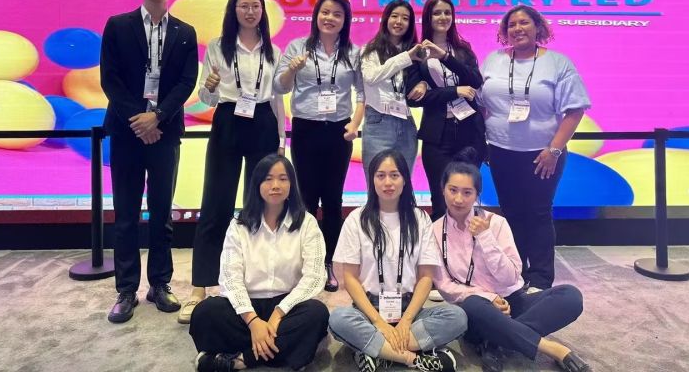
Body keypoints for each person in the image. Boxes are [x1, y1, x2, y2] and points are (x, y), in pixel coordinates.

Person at [100, 0, 198, 324]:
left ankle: (160, 283)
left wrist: (157, 117)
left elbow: (186, 82)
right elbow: (110, 79)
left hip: (165, 131)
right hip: (127, 132)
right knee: (125, 213)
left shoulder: (184, 32)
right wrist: (138, 120)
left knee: (161, 213)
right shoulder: (118, 25)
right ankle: (126, 289)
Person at [180, 0, 286, 324]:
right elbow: (206, 98)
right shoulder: (217, 47)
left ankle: (252, 284)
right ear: (234, 11)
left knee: (260, 206)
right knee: (215, 203)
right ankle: (199, 287)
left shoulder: (273, 50)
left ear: (262, 13)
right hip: (228, 120)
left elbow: (277, 98)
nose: (250, 12)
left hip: (263, 121)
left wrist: (281, 139)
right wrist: (209, 87)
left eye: (255, 6)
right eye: (244, 6)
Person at [431, 151, 591, 372]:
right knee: (472, 305)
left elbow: (510, 277)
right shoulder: (434, 231)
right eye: (453, 190)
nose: (458, 199)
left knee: (570, 296)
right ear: (443, 190)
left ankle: (495, 341)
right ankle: (552, 349)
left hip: (512, 300)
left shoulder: (497, 223)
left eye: (467, 192)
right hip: (477, 309)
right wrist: (489, 297)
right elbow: (445, 286)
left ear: (477, 194)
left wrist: (485, 238)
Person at [480, 5, 591, 291]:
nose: (517, 29)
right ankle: (516, 274)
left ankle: (541, 278)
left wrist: (554, 150)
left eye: (524, 23)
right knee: (511, 213)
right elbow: (480, 103)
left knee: (538, 213)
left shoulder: (557, 63)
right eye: (512, 25)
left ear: (538, 27)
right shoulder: (493, 60)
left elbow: (575, 110)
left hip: (543, 155)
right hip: (500, 152)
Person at [328, 149, 467, 372]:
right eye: (380, 175)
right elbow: (350, 278)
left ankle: (379, 353)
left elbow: (426, 277)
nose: (388, 182)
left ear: (405, 179)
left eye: (394, 175)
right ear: (372, 180)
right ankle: (413, 359)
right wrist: (378, 322)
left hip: (409, 309)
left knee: (457, 317)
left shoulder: (420, 219)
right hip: (369, 310)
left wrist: (406, 320)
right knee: (338, 319)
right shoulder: (356, 219)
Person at [189, 154, 329, 372]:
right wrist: (253, 321)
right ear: (257, 184)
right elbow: (230, 277)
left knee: (317, 314)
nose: (276, 185)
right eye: (268, 179)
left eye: (283, 179)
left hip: (286, 306)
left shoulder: (307, 223)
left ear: (292, 184)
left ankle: (240, 360)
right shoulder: (239, 225)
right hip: (246, 306)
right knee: (204, 313)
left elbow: (314, 277)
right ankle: (279, 350)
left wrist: (277, 314)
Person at [275, 0, 364, 292]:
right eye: (325, 12)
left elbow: (362, 94)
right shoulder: (297, 47)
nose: (330, 18)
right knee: (306, 200)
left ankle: (328, 264)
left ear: (345, 21)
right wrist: (292, 69)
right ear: (316, 16)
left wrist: (354, 124)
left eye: (337, 14)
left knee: (334, 200)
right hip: (306, 129)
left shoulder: (353, 52)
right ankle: (307, 262)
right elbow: (280, 87)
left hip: (339, 131)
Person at [406, 0, 485, 221]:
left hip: (470, 134)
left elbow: (475, 80)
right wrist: (455, 91)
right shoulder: (417, 52)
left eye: (447, 12)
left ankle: (468, 243)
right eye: (437, 13)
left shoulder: (463, 50)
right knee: (441, 201)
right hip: (437, 137)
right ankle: (441, 244)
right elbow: (414, 98)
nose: (443, 17)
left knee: (467, 199)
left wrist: (445, 56)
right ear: (428, 18)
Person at [360, 0, 427, 174]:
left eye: (405, 18)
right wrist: (405, 57)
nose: (399, 21)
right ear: (386, 19)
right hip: (378, 121)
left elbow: (426, 77)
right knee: (377, 178)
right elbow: (371, 77)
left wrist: (424, 84)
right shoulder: (370, 50)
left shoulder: (416, 51)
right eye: (394, 16)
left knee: (403, 180)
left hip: (406, 122)